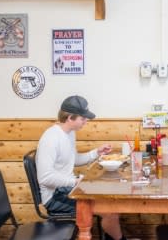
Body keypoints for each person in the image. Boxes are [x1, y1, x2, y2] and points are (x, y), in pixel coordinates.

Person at [36, 95, 129, 240]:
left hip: (68, 188)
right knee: (109, 211)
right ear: (70, 118)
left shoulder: (69, 133)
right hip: (54, 196)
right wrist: (74, 182)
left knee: (111, 205)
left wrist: (96, 152)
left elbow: (74, 160)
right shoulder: (50, 138)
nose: (85, 122)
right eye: (82, 118)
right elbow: (45, 177)